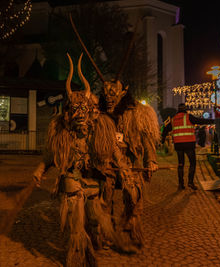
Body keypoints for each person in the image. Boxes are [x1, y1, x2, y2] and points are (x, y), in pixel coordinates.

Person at [33, 54, 136, 266]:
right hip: (72, 180)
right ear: (69, 113)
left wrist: (126, 173)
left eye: (84, 111)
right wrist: (40, 169)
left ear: (90, 112)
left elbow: (115, 152)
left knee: (96, 219)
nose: (80, 116)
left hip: (93, 182)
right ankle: (78, 255)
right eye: (75, 111)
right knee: (77, 222)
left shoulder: (100, 129)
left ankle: (96, 242)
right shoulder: (62, 133)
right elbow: (51, 154)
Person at [161, 104, 214, 190]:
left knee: (181, 164)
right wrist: (213, 121)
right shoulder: (189, 117)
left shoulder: (173, 119)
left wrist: (163, 139)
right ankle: (190, 182)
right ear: (186, 110)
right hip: (189, 144)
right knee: (192, 163)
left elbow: (166, 129)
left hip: (178, 145)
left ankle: (181, 184)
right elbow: (200, 121)